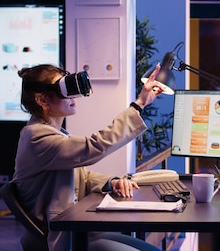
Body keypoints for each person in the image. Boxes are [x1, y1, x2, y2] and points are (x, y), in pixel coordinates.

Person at [12, 63, 163, 251]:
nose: (73, 96)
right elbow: (94, 147)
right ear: (42, 100)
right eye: (64, 89)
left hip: (76, 227)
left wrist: (112, 182)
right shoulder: (37, 137)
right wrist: (139, 104)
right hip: (62, 235)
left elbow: (81, 175)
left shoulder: (55, 133)